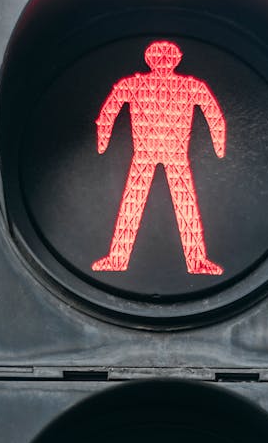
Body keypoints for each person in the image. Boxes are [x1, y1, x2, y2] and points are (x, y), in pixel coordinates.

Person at [92, 40, 226, 275]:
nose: (163, 62)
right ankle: (117, 259)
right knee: (148, 205)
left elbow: (213, 114)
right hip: (148, 152)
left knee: (179, 206)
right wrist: (218, 145)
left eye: (167, 57)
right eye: (160, 57)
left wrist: (104, 140)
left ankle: (194, 261)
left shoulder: (140, 84)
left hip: (168, 153)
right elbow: (108, 113)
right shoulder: (147, 84)